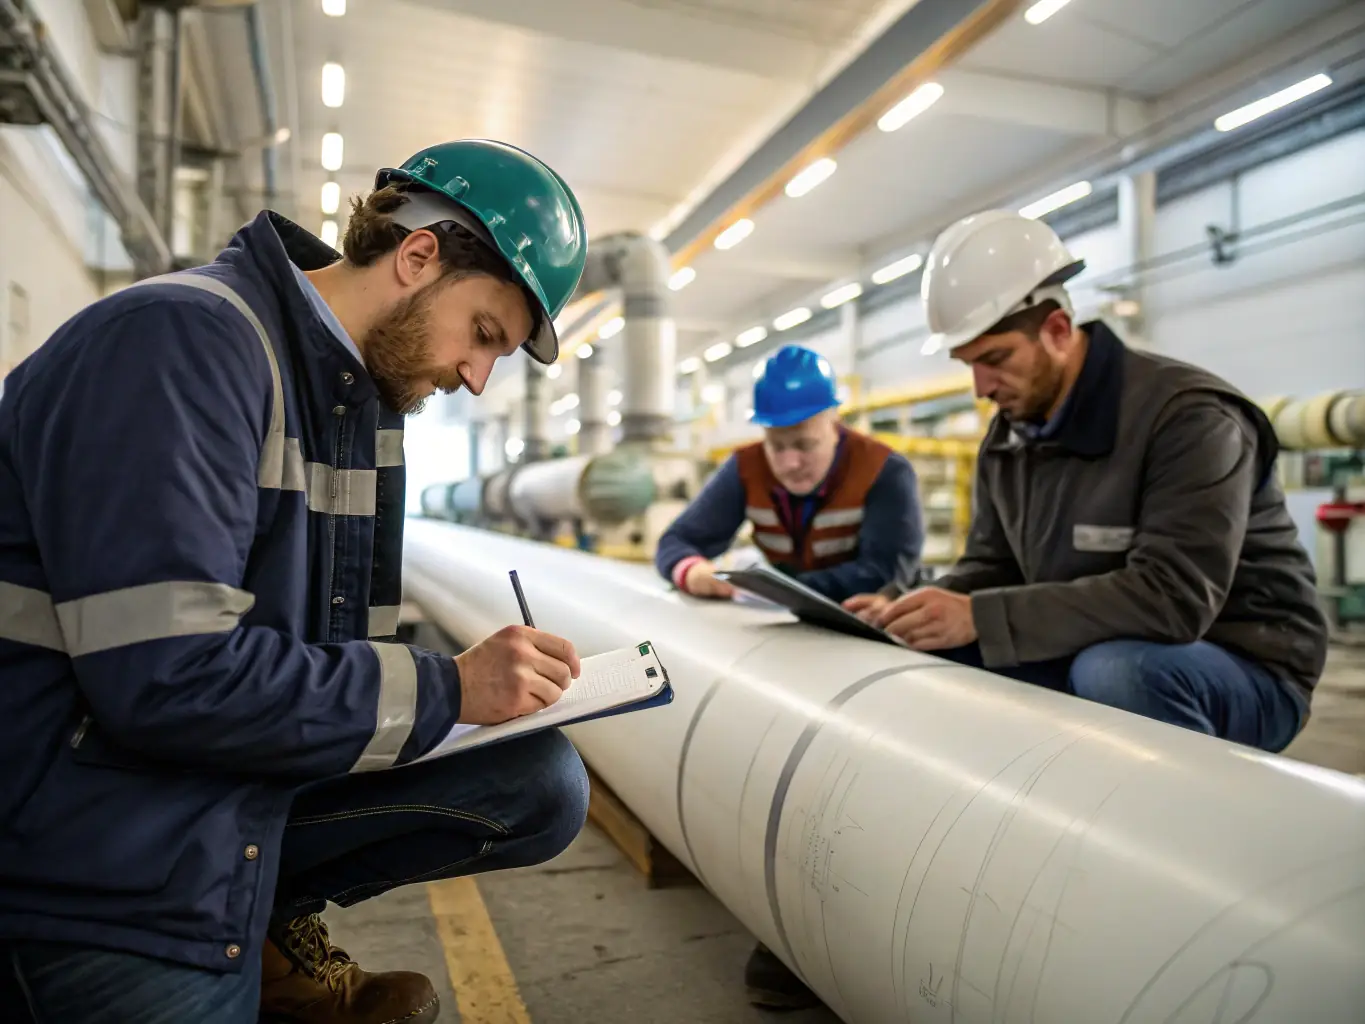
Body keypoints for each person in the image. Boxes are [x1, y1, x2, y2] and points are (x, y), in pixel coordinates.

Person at [0, 139, 594, 1024]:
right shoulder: (182, 343)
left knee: (536, 780)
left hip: (201, 769)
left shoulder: (349, 409)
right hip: (88, 831)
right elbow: (168, 679)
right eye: (482, 335)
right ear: (417, 255)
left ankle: (266, 917)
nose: (476, 378)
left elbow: (318, 655)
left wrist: (467, 696)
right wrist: (449, 687)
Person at [845, 209, 1327, 752]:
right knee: (936, 653)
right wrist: (909, 609)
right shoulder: (1009, 440)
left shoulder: (1189, 419)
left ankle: (1182, 804)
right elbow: (993, 566)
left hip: (1245, 662)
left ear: (1057, 330)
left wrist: (981, 616)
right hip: (1095, 643)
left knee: (1115, 673)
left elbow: (1174, 599)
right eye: (968, 364)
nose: (981, 387)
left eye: (995, 359)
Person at [656, 344, 924, 606]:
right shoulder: (746, 467)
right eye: (776, 446)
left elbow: (883, 574)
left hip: (877, 622)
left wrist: (773, 588)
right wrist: (691, 570)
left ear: (834, 421)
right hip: (788, 616)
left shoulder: (883, 471)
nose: (790, 463)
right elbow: (676, 540)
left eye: (805, 445)